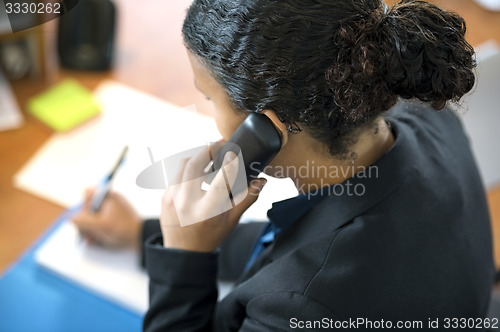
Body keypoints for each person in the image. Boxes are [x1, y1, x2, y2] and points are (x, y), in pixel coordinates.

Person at [73, 0, 495, 330]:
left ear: (265, 127)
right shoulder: (427, 116)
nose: (207, 114)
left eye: (208, 100)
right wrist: (150, 236)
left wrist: (183, 263)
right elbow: (299, 239)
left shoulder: (302, 309)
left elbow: (301, 273)